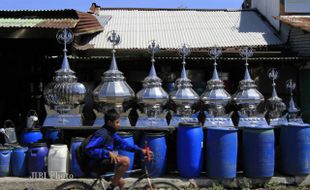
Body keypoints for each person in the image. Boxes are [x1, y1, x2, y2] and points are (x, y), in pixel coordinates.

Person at [77, 109, 149, 190]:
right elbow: (89, 149)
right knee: (126, 161)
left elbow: (124, 144)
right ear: (109, 122)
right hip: (94, 164)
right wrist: (107, 153)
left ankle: (113, 185)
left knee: (121, 183)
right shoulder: (102, 133)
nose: (119, 125)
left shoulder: (111, 133)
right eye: (117, 122)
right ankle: (111, 187)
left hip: (104, 162)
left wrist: (140, 150)